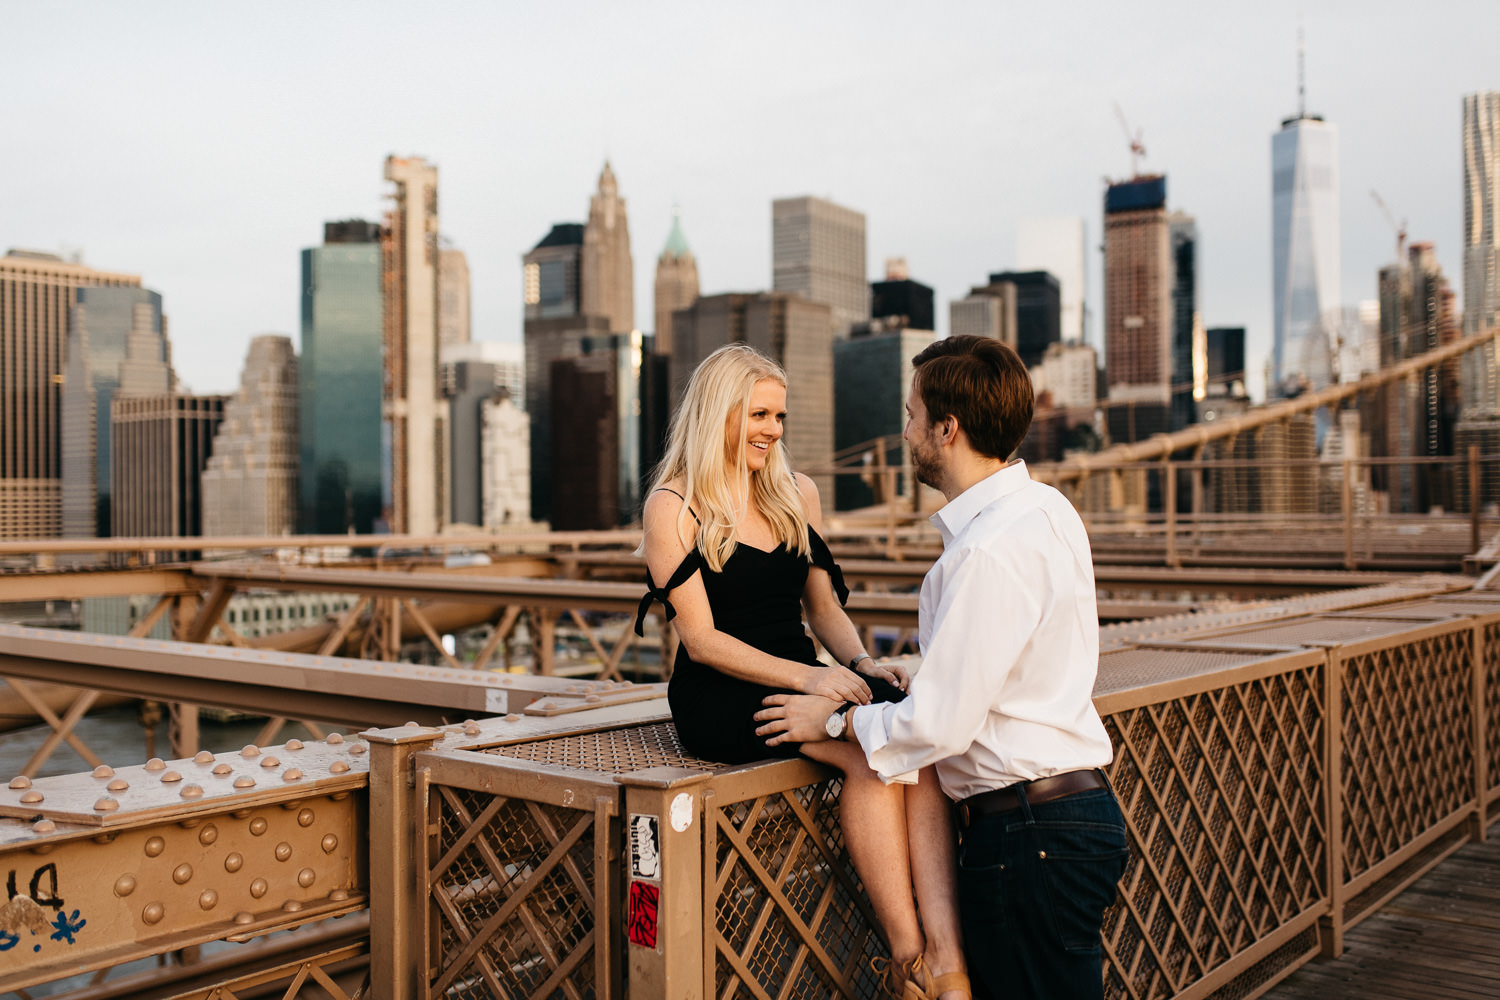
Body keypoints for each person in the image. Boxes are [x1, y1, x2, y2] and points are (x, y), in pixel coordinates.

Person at [755, 335, 1127, 1000]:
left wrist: (835, 719)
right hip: (1072, 814)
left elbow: (940, 727)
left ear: (946, 429)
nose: (905, 433)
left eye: (911, 415)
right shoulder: (1048, 511)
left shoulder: (984, 554)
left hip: (1026, 835)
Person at [636, 343, 970, 1000]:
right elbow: (700, 641)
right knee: (869, 753)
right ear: (718, 412)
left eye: (780, 417)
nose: (772, 431)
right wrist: (809, 679)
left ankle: (945, 952)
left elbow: (823, 610)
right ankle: (910, 963)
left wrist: (862, 663)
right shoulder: (672, 506)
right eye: (759, 414)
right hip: (721, 694)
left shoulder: (797, 493)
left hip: (802, 675)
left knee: (916, 739)